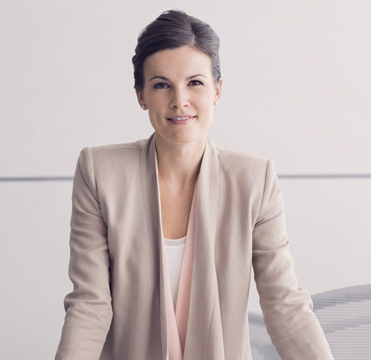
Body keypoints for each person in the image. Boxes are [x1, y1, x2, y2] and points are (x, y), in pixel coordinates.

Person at [55, 9, 333, 360]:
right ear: (140, 95)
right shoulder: (100, 172)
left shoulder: (254, 179)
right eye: (161, 85)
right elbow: (90, 304)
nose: (179, 100)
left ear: (218, 89)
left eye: (195, 82)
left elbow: (284, 303)